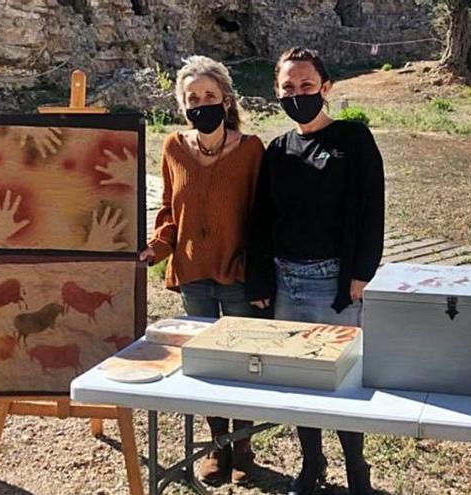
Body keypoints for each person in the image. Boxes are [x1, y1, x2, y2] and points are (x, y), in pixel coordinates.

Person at [246, 47, 385, 495]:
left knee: (341, 381)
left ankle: (356, 469)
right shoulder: (278, 150)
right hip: (286, 280)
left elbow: (371, 209)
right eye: (288, 88)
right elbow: (262, 220)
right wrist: (261, 281)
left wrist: (361, 274)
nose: (297, 94)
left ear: (326, 88)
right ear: (277, 94)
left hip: (333, 281)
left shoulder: (354, 140)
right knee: (301, 382)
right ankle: (312, 464)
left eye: (306, 86)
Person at [140, 55, 265, 486]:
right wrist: (154, 249)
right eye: (192, 98)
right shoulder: (174, 147)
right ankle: (218, 447)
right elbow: (169, 211)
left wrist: (261, 273)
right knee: (206, 363)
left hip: (238, 272)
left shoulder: (250, 150)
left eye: (209, 96)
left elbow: (261, 215)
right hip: (193, 272)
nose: (201, 103)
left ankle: (244, 440)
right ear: (182, 104)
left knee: (242, 360)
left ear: (226, 99)